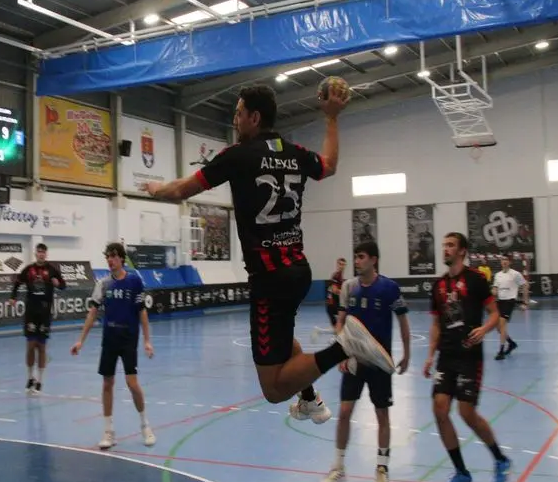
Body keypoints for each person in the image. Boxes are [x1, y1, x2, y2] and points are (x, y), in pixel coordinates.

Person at [141, 82, 395, 417]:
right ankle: (309, 399)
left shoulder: (236, 156)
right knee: (284, 340)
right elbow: (330, 164)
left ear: (254, 117)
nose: (235, 120)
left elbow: (182, 190)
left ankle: (343, 348)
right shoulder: (295, 153)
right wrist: (331, 117)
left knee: (273, 389)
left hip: (269, 278)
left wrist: (157, 188)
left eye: (238, 113)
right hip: (297, 271)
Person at [424, 232, 511, 482]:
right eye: (444, 245)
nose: (446, 249)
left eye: (450, 245)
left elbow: (495, 313)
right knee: (439, 410)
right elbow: (437, 323)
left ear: (462, 251)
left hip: (470, 357)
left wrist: (484, 330)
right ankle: (462, 473)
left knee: (466, 412)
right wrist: (430, 355)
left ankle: (499, 459)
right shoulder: (438, 285)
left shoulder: (476, 280)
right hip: (446, 356)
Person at [320, 242, 410, 482]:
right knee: (345, 413)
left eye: (360, 257)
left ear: (374, 260)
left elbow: (403, 322)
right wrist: (342, 354)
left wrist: (407, 354)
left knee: (382, 414)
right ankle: (338, 467)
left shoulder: (389, 288)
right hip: (354, 362)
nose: (356, 261)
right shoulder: (349, 287)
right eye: (355, 257)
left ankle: (382, 468)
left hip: (380, 363)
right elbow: (340, 323)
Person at [70, 243, 156, 449]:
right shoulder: (103, 284)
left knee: (132, 383)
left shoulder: (134, 281)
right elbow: (92, 313)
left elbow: (142, 311)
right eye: (108, 256)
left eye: (114, 256)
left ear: (122, 259)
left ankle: (145, 425)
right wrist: (81, 340)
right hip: (109, 339)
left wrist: (147, 340)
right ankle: (109, 432)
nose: (110, 260)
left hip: (128, 338)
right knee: (107, 383)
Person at [10, 243, 66, 394]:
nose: (41, 254)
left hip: (45, 312)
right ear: (35, 254)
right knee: (30, 345)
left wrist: (58, 284)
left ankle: (40, 380)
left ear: (46, 254)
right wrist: (13, 297)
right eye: (39, 252)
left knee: (41, 347)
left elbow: (63, 285)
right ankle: (30, 377)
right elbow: (17, 282)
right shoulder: (29, 270)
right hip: (31, 312)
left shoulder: (52, 270)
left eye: (43, 252)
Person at [491, 255, 526, 360]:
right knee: (498, 328)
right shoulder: (497, 275)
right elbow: (495, 288)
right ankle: (511, 343)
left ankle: (501, 351)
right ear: (501, 262)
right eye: (502, 260)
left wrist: (525, 302)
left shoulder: (515, 274)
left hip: (509, 301)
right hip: (499, 302)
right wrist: (493, 292)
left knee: (502, 325)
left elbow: (525, 285)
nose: (504, 261)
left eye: (506, 260)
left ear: (509, 262)